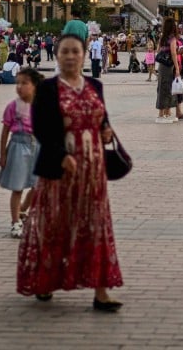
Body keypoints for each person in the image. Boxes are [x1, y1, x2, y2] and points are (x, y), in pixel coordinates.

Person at [17, 33, 123, 311]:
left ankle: (101, 292)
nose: (71, 56)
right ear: (57, 54)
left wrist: (106, 130)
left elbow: (103, 117)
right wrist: (61, 155)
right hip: (61, 169)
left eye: (76, 51)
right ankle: (46, 281)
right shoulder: (48, 89)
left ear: (85, 54)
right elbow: (41, 129)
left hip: (93, 170)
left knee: (96, 226)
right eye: (65, 51)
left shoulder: (95, 85)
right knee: (55, 224)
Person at [0, 67, 43, 238]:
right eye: (18, 83)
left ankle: (23, 209)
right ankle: (15, 221)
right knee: (17, 187)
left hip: (37, 146)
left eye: (24, 83)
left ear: (34, 86)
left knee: (37, 184)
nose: (20, 87)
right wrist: (3, 154)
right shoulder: (13, 106)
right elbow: (5, 131)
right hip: (18, 145)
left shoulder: (41, 105)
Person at [154, 18, 180, 123]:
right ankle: (161, 114)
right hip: (169, 67)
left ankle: (165, 112)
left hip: (162, 66)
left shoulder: (162, 38)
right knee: (167, 88)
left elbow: (158, 50)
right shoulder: (172, 39)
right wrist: (177, 68)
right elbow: (173, 54)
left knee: (162, 88)